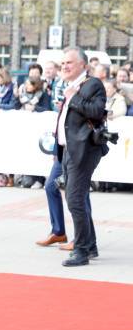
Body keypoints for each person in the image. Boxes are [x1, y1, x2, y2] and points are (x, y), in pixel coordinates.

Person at [55, 46, 108, 267]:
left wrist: (74, 99)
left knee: (75, 199)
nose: (64, 66)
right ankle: (90, 244)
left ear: (83, 66)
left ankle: (81, 251)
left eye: (69, 62)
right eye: (63, 63)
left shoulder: (92, 84)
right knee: (78, 198)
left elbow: (97, 111)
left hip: (84, 150)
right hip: (69, 150)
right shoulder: (71, 87)